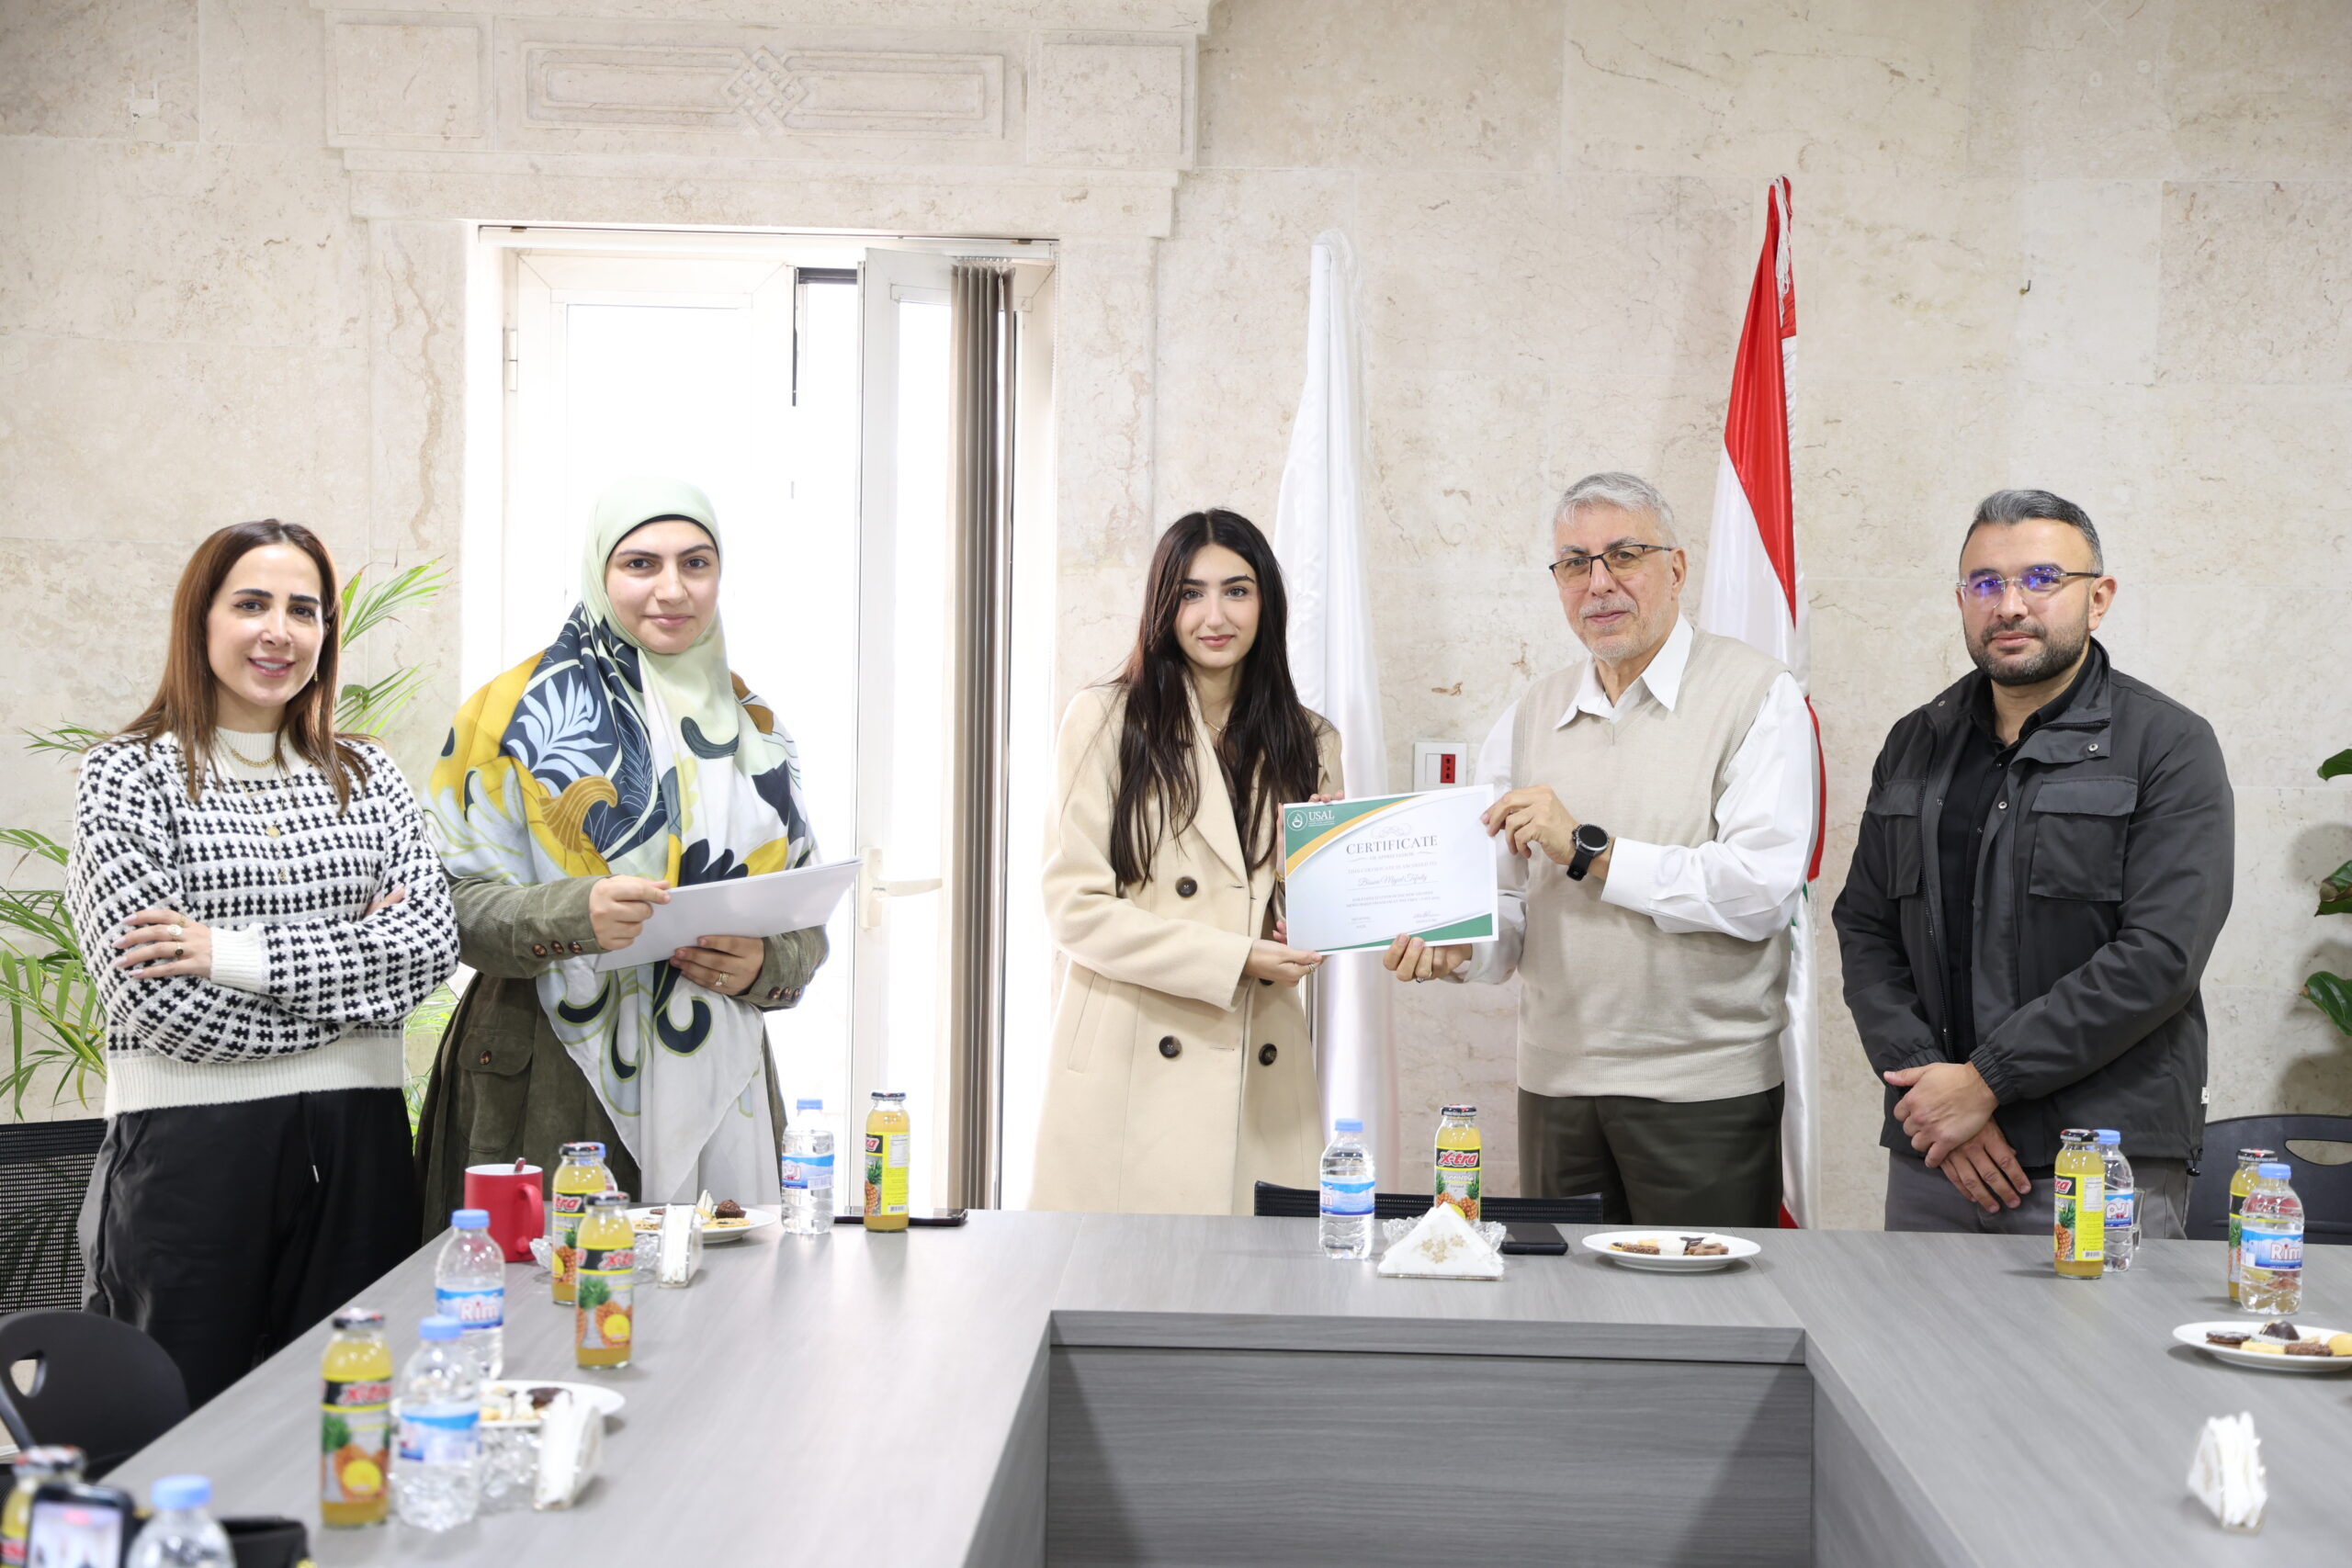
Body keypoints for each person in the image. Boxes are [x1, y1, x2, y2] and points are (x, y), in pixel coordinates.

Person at [67, 520, 459, 1405]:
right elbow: (157, 1004)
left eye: (303, 609)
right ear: (200, 621)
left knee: (348, 1424)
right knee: (174, 1428)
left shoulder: (369, 775)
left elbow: (428, 950)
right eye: (251, 604)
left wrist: (229, 951)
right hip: (187, 1156)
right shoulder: (127, 776)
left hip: (360, 1148)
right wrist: (356, 980)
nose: (278, 631)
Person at [1383, 472, 1815, 1227]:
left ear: (1676, 569)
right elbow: (1510, 907)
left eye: (1625, 555)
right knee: (1567, 1321)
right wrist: (1462, 950)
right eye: (1575, 563)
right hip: (1555, 1086)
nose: (1600, 583)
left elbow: (1758, 892)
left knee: (1702, 1332)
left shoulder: (1757, 694)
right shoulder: (1530, 713)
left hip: (1703, 1094)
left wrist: (1591, 850)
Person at [413, 476, 829, 1218]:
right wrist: (574, 913)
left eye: (695, 564)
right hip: (544, 1073)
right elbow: (445, 907)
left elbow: (802, 908)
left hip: (719, 1065)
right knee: (555, 1310)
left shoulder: (755, 727)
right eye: (641, 564)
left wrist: (768, 962)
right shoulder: (507, 711)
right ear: (600, 572)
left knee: (724, 1311)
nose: (672, 589)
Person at [1834, 490, 2232, 1234]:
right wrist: (1934, 1090)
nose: (2009, 604)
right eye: (1985, 583)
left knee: (2092, 1355)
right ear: (1961, 600)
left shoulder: (2168, 745)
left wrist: (1986, 1082)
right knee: (1913, 1353)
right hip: (1937, 1154)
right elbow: (1864, 923)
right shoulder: (1916, 741)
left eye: (2042, 579)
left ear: (2099, 596)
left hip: (2099, 1158)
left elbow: (2160, 955)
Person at [1030, 508, 1341, 1214]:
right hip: (1129, 1060)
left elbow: (1301, 920)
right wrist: (1235, 957)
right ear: (1163, 605)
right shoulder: (1105, 720)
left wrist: (1332, 880)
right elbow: (1072, 910)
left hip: (1260, 1062)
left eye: (1237, 590)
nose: (1214, 614)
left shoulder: (1312, 740)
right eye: (1191, 593)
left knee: (1258, 1304)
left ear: (1266, 602)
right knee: (1118, 1300)